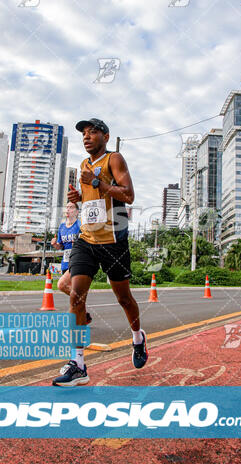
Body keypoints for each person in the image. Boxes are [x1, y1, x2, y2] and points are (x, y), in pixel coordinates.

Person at [52, 118, 148, 387]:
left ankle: (138, 337)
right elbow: (92, 197)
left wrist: (97, 182)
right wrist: (77, 197)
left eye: (92, 132)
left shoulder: (114, 159)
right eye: (84, 133)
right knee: (75, 296)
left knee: (124, 298)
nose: (86, 137)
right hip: (87, 239)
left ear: (105, 136)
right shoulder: (83, 165)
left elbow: (128, 195)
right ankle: (78, 365)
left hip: (113, 240)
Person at [50, 202, 92, 324]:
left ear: (77, 212)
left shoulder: (80, 225)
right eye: (67, 207)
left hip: (77, 260)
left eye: (71, 207)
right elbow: (60, 246)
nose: (68, 209)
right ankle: (83, 315)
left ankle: (76, 318)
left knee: (63, 285)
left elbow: (87, 239)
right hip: (65, 262)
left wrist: (79, 243)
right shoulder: (62, 227)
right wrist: (55, 244)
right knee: (72, 292)